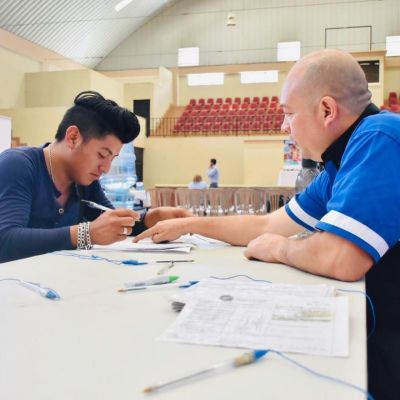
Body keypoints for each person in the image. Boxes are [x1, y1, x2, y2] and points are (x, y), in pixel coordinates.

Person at [134, 49, 400, 399]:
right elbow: (267, 225)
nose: (283, 127)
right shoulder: (341, 161)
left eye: (289, 114)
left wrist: (280, 249)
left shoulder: (380, 137)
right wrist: (191, 224)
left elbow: (341, 257)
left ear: (326, 110)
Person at [0, 91, 191, 263]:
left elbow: (109, 225)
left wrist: (151, 218)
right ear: (73, 137)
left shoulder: (83, 180)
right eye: (102, 154)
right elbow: (5, 240)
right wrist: (86, 234)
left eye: (112, 158)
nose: (106, 168)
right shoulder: (18, 164)